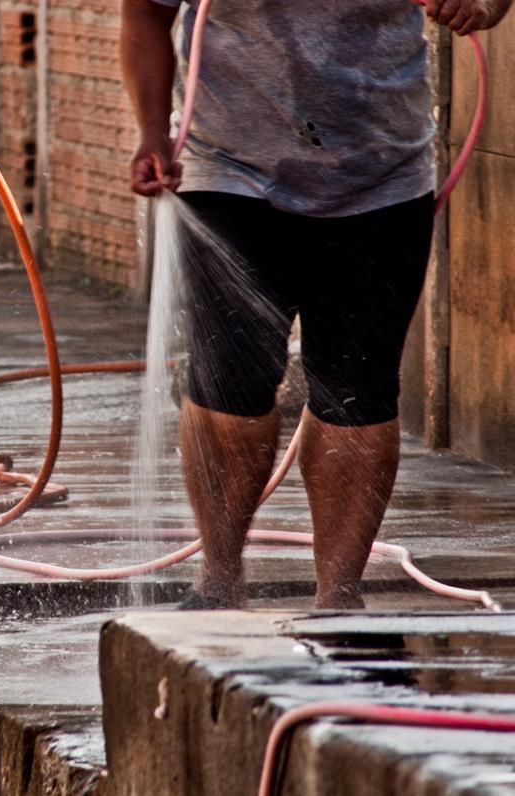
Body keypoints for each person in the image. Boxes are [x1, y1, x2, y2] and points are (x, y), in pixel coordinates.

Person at [121, 0, 510, 608]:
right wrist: (150, 129)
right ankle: (220, 582)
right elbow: (146, 11)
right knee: (231, 377)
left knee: (358, 387)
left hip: (381, 174)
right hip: (227, 168)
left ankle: (339, 597)